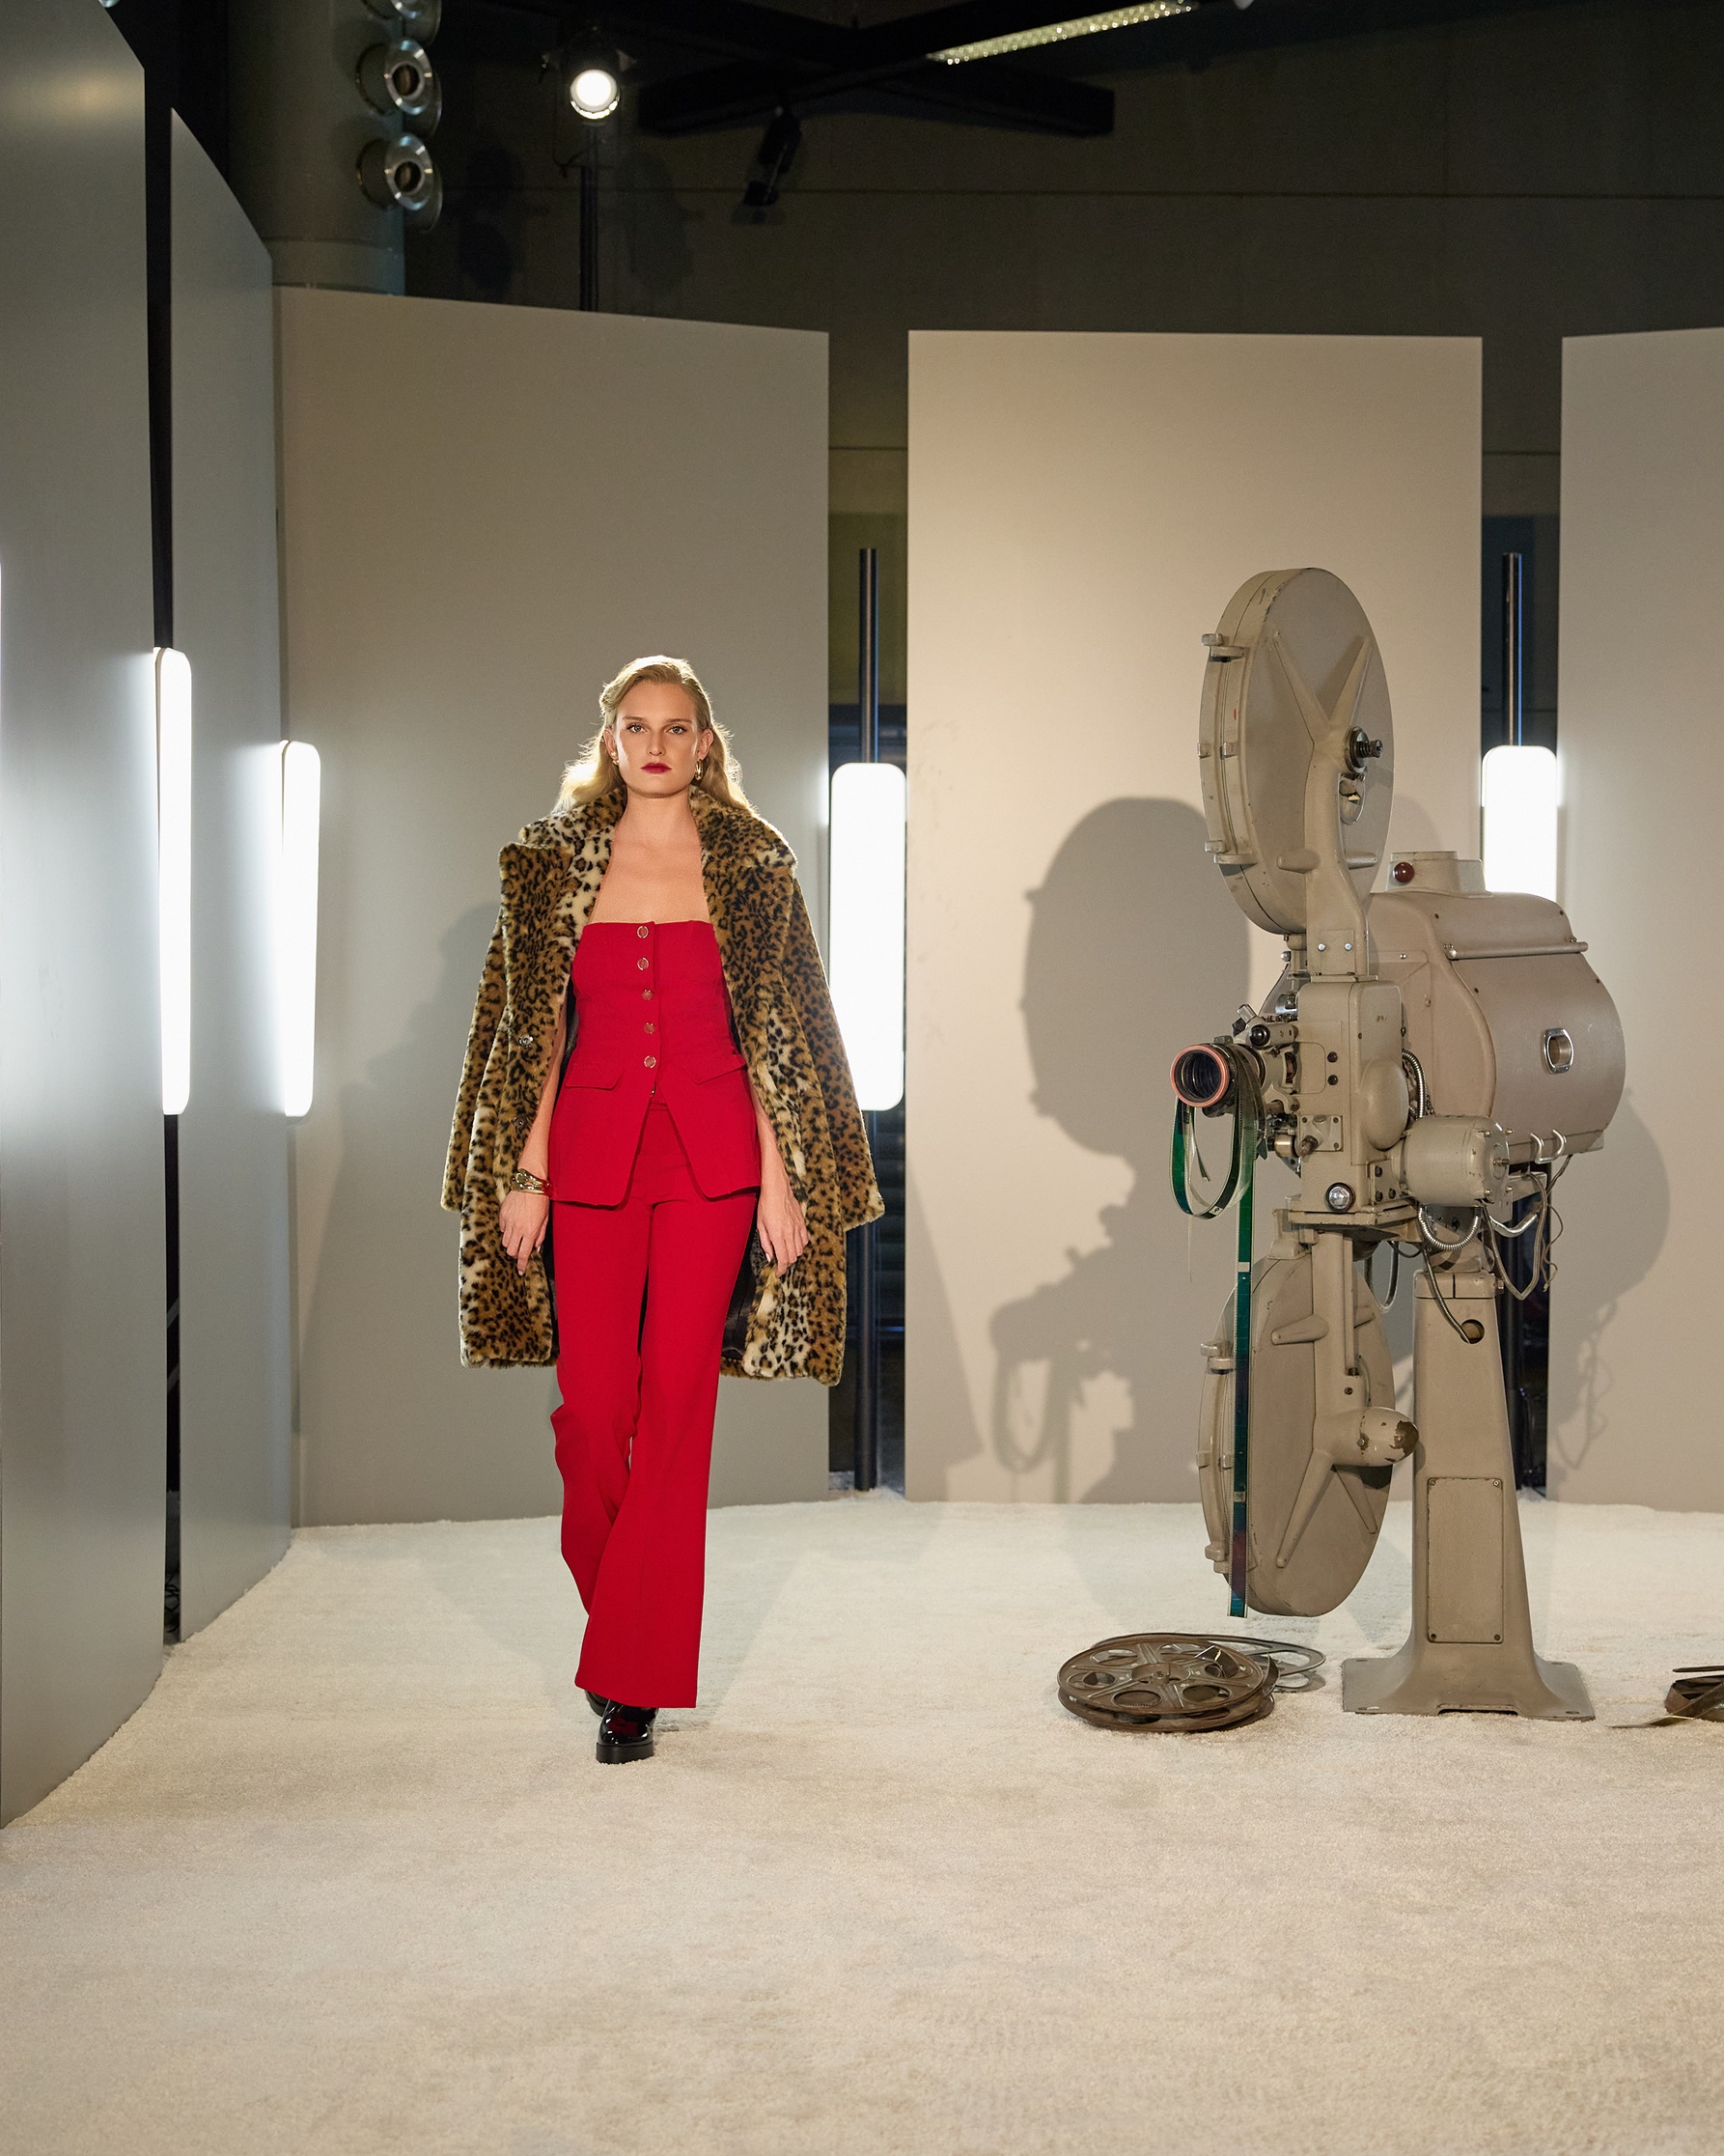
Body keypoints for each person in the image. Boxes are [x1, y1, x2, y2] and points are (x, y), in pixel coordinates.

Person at [444, 657, 880, 1764]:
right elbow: (531, 1028)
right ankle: (625, 1627)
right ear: (610, 741)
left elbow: (780, 1030)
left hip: (713, 1160)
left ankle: (631, 1685)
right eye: (636, 726)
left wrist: (780, 1178)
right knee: (596, 1410)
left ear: (704, 745)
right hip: (588, 1158)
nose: (654, 745)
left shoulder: (751, 861)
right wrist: (526, 1170)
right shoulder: (552, 862)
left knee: (678, 1410)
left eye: (675, 728)